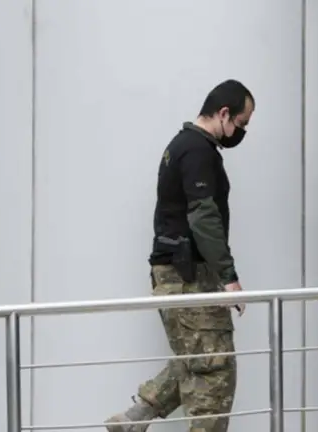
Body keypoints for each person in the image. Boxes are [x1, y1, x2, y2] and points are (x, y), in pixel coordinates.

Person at [105, 79, 255, 432]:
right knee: (214, 371)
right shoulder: (197, 150)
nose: (242, 132)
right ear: (223, 113)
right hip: (187, 276)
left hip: (177, 274)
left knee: (200, 356)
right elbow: (203, 217)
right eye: (242, 123)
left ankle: (136, 418)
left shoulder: (183, 146)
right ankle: (136, 418)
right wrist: (229, 278)